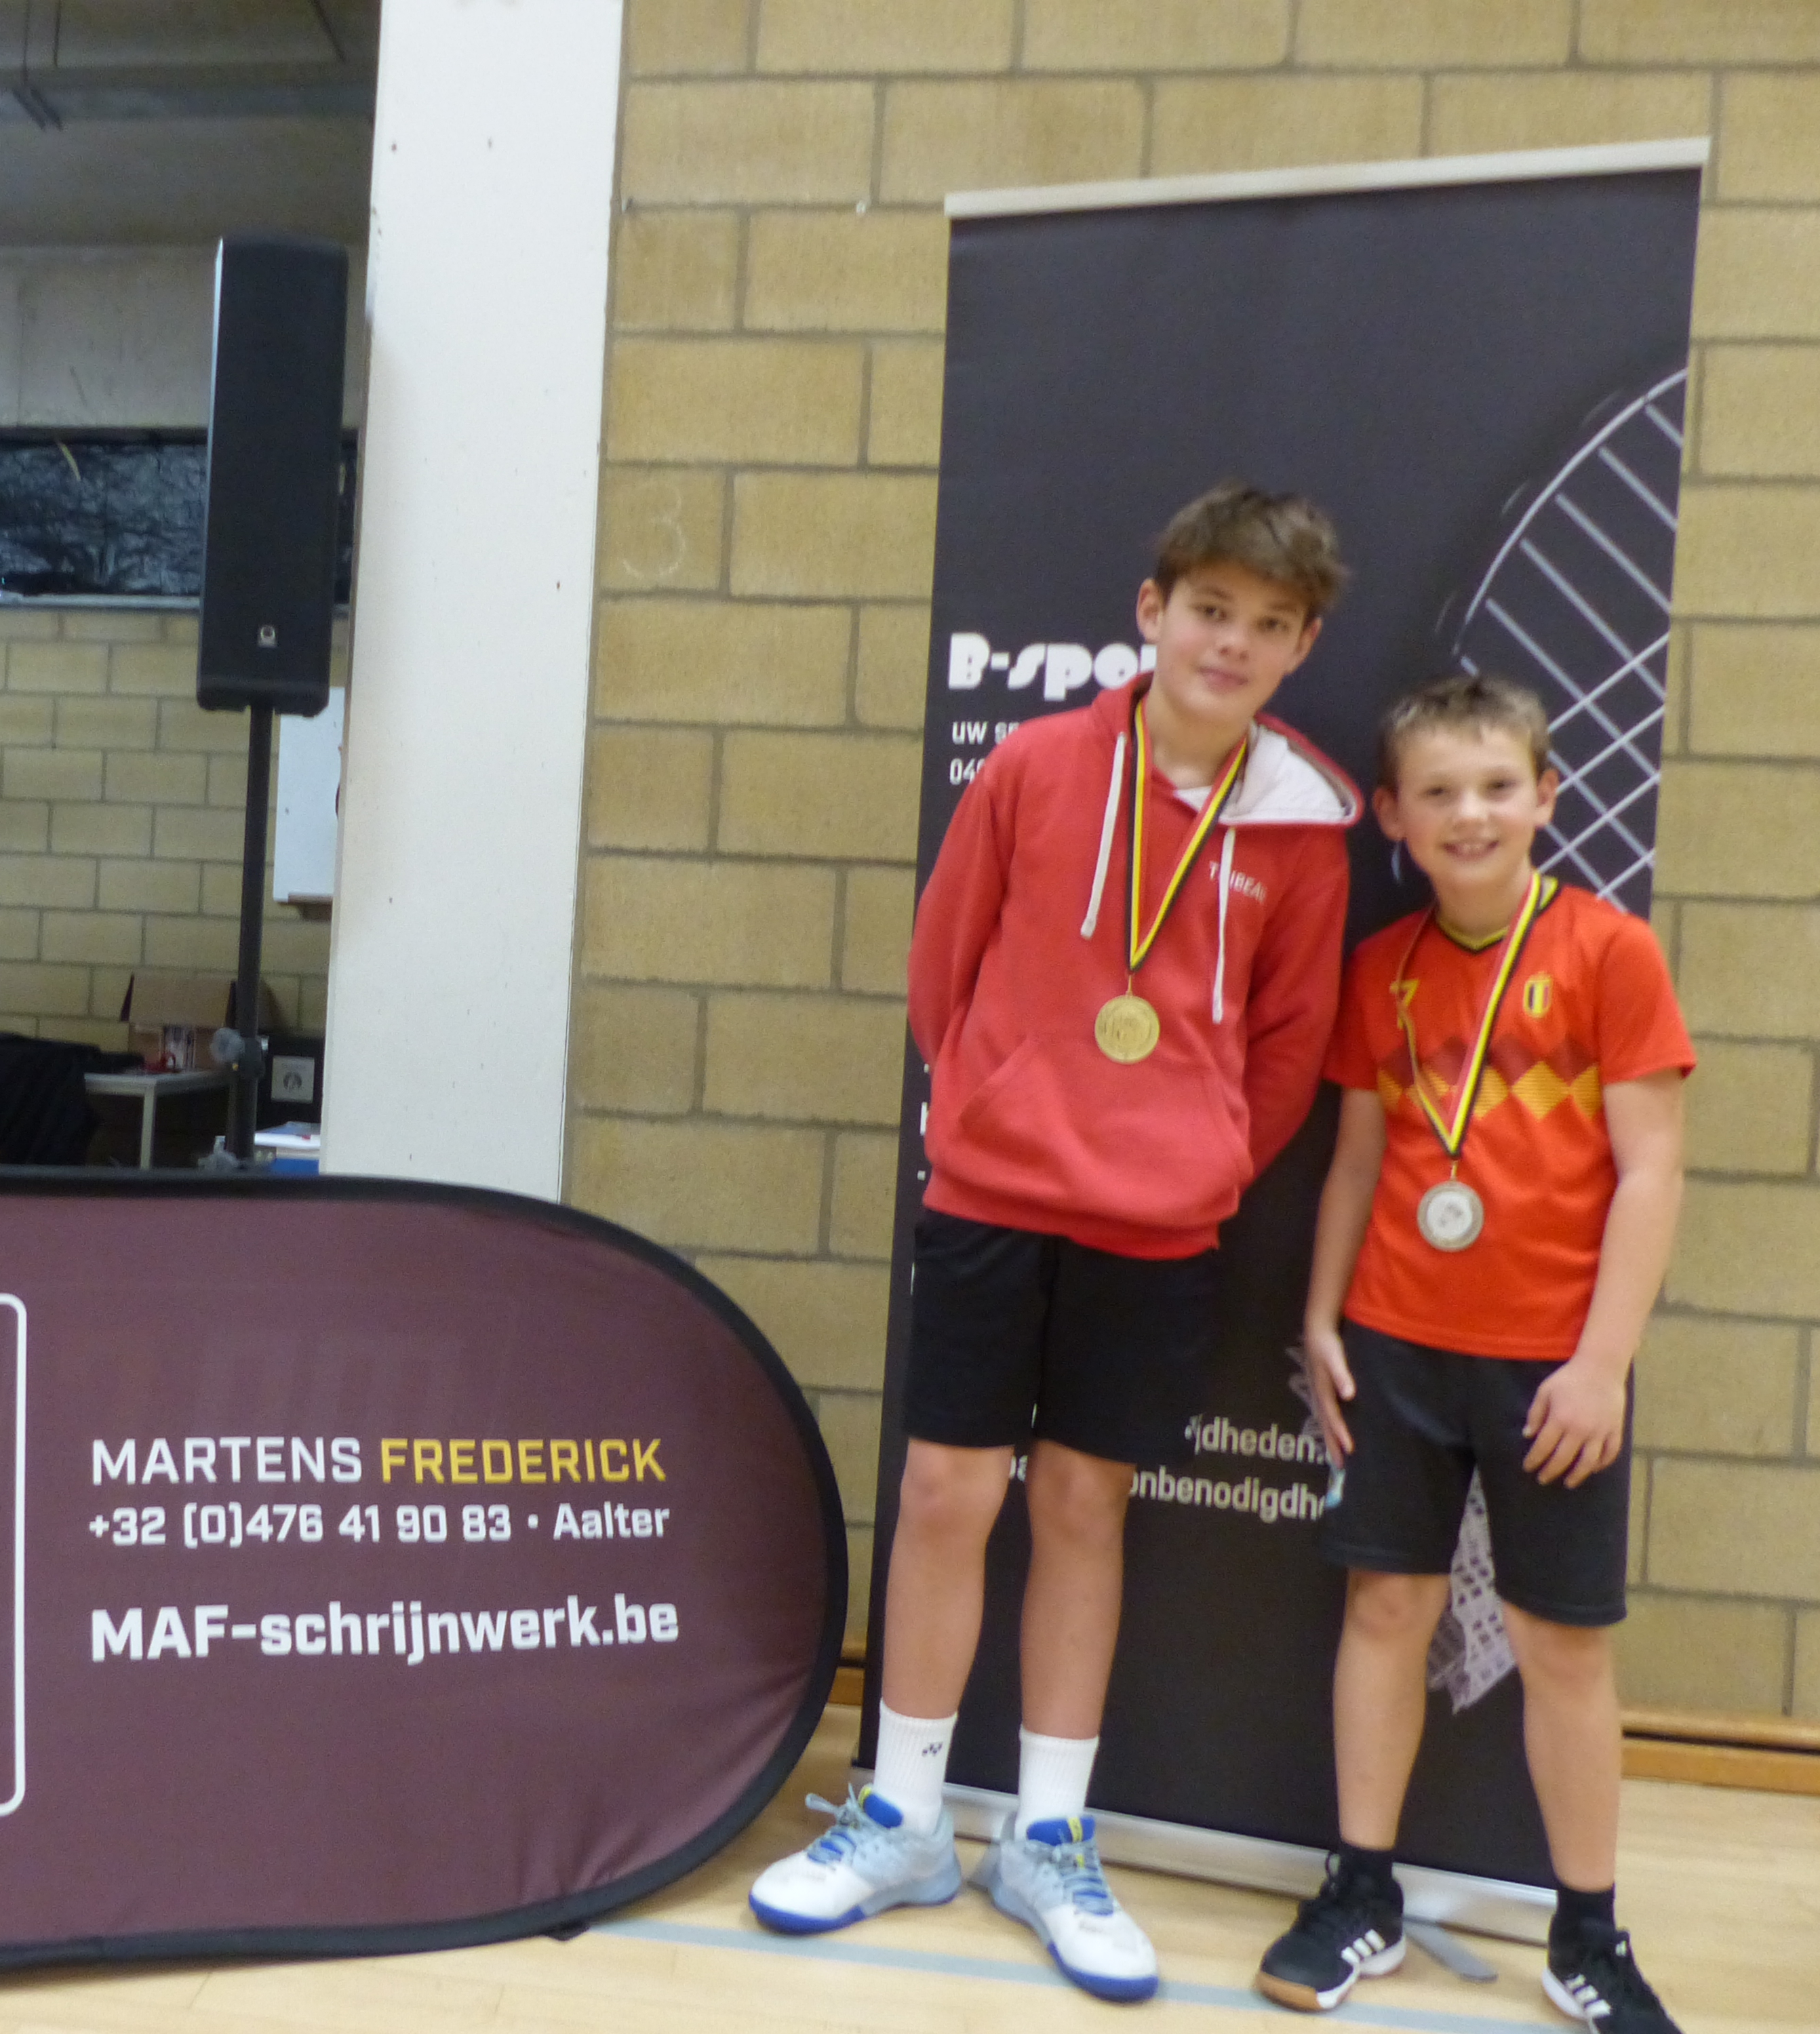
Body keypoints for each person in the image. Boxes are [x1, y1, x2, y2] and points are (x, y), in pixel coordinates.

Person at [750, 483, 1360, 2002]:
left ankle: (1045, 1835)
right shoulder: (1031, 765)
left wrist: (1195, 1156)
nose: (1230, 643)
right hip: (991, 1196)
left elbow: (1289, 1047)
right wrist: (996, 1106)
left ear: (1300, 648)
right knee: (946, 1492)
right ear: (1151, 612)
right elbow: (940, 969)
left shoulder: (1301, 825)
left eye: (1267, 624)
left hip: (1158, 1228)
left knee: (1085, 1507)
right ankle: (901, 1818)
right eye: (1208, 609)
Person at [1257, 673, 1690, 2033]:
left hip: (1552, 1368)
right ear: (1390, 814)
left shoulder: (1610, 952)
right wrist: (1322, 1317)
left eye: (1498, 786)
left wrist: (1602, 1365)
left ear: (1546, 796)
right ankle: (1360, 1891)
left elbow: (1652, 1170)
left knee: (1559, 1643)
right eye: (1438, 792)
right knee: (1383, 1613)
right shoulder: (1379, 969)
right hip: (1394, 1348)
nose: (1470, 814)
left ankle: (1589, 1935)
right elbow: (1356, 1161)